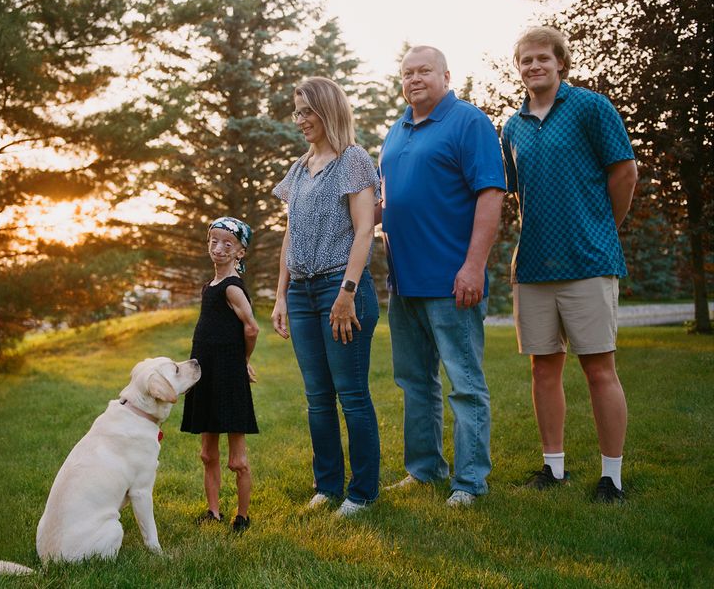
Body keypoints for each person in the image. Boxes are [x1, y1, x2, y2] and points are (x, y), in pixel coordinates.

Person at [501, 26, 638, 503]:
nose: (534, 66)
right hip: (535, 264)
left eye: (543, 59)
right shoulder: (512, 126)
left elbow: (624, 172)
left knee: (600, 369)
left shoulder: (590, 108)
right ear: (518, 68)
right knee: (543, 369)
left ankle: (612, 477)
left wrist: (604, 226)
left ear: (561, 63)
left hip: (589, 259)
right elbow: (517, 193)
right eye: (526, 60)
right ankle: (553, 468)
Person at [379, 45, 505, 507]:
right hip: (403, 282)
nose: (414, 79)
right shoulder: (396, 130)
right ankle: (425, 468)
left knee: (465, 384)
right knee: (415, 382)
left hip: (453, 281)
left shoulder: (469, 122)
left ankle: (470, 482)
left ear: (446, 75)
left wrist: (473, 266)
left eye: (424, 71)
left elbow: (490, 195)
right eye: (407, 72)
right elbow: (391, 201)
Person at [271, 76, 381, 517]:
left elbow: (363, 229)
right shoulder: (300, 167)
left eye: (306, 111)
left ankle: (363, 493)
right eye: (295, 112)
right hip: (301, 292)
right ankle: (328, 487)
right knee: (317, 396)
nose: (299, 120)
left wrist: (347, 292)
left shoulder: (353, 160)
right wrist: (281, 296)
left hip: (341, 288)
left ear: (327, 110)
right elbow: (290, 234)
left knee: (351, 394)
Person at [180, 216, 260, 532]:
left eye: (228, 244)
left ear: (240, 252)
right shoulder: (209, 286)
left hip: (227, 375)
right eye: (214, 241)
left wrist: (243, 360)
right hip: (205, 373)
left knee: (236, 460)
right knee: (207, 453)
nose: (219, 248)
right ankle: (213, 512)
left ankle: (242, 517)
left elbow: (251, 327)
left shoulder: (232, 288)